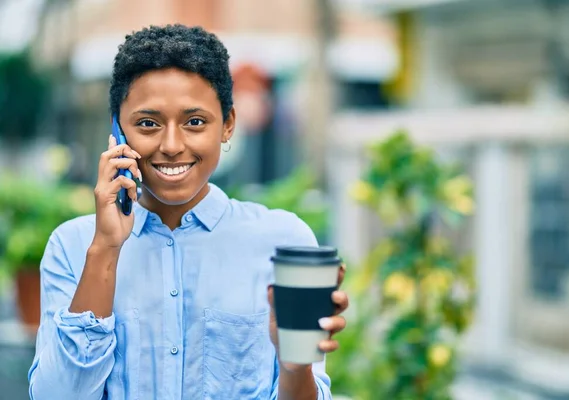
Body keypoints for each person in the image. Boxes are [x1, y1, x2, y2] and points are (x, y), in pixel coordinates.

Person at [27, 24, 349, 400]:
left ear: (227, 124)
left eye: (195, 122)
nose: (171, 145)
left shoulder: (284, 242)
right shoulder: (73, 245)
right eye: (148, 123)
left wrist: (296, 363)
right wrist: (105, 250)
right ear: (117, 128)